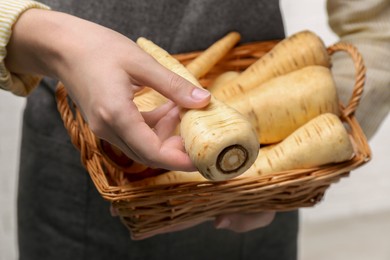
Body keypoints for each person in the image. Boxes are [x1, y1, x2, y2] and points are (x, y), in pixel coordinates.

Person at [0, 0, 388, 259]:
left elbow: (380, 28)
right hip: (76, 183)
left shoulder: (266, 169)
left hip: (255, 195)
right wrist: (57, 44)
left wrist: (289, 159)